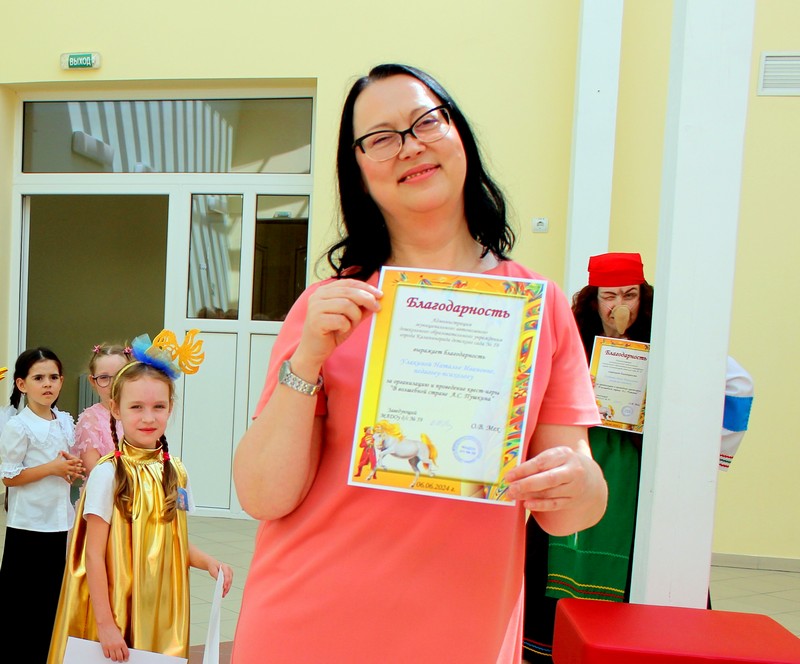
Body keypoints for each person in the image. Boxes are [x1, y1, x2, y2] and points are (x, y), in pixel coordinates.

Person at [232, 63, 607, 663]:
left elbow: (572, 512)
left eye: (425, 122)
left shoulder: (539, 310)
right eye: (380, 138)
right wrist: (307, 360)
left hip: (462, 633)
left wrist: (579, 483)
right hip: (309, 622)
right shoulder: (330, 309)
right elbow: (262, 495)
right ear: (358, 171)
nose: (409, 146)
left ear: (459, 134)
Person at [522, 252, 754, 661]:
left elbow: (737, 383)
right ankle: (552, 642)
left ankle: (640, 641)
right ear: (593, 300)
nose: (620, 306)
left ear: (644, 298)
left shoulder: (668, 342)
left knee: (645, 549)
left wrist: (699, 447)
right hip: (587, 455)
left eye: (630, 295)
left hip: (642, 465)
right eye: (609, 296)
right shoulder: (573, 338)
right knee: (561, 535)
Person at [47, 332, 232, 664]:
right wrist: (105, 625)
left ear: (170, 407)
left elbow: (172, 541)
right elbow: (93, 556)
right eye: (136, 407)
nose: (149, 417)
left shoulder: (175, 471)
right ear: (116, 409)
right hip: (117, 610)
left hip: (160, 609)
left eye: (158, 406)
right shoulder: (108, 474)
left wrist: (208, 562)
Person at [0, 347, 84, 664]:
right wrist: (52, 468)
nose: (47, 384)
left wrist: (71, 469)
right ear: (22, 384)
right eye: (38, 378)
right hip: (29, 526)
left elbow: (65, 465)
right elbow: (9, 477)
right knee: (25, 605)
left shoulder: (64, 420)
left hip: (61, 523)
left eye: (53, 377)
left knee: (53, 599)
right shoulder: (18, 426)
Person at [72, 343, 130, 473]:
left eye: (120, 375)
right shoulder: (91, 419)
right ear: (93, 381)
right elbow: (93, 469)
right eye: (104, 377)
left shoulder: (140, 413)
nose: (113, 383)